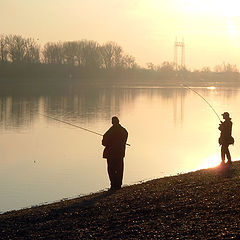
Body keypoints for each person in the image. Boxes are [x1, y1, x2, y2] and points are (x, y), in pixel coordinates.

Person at [102, 116, 128, 190]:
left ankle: (113, 185)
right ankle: (118, 184)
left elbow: (104, 143)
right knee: (119, 169)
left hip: (111, 154)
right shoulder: (124, 131)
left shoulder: (109, 131)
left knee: (111, 170)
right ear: (118, 121)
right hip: (120, 154)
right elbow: (124, 140)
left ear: (112, 122)